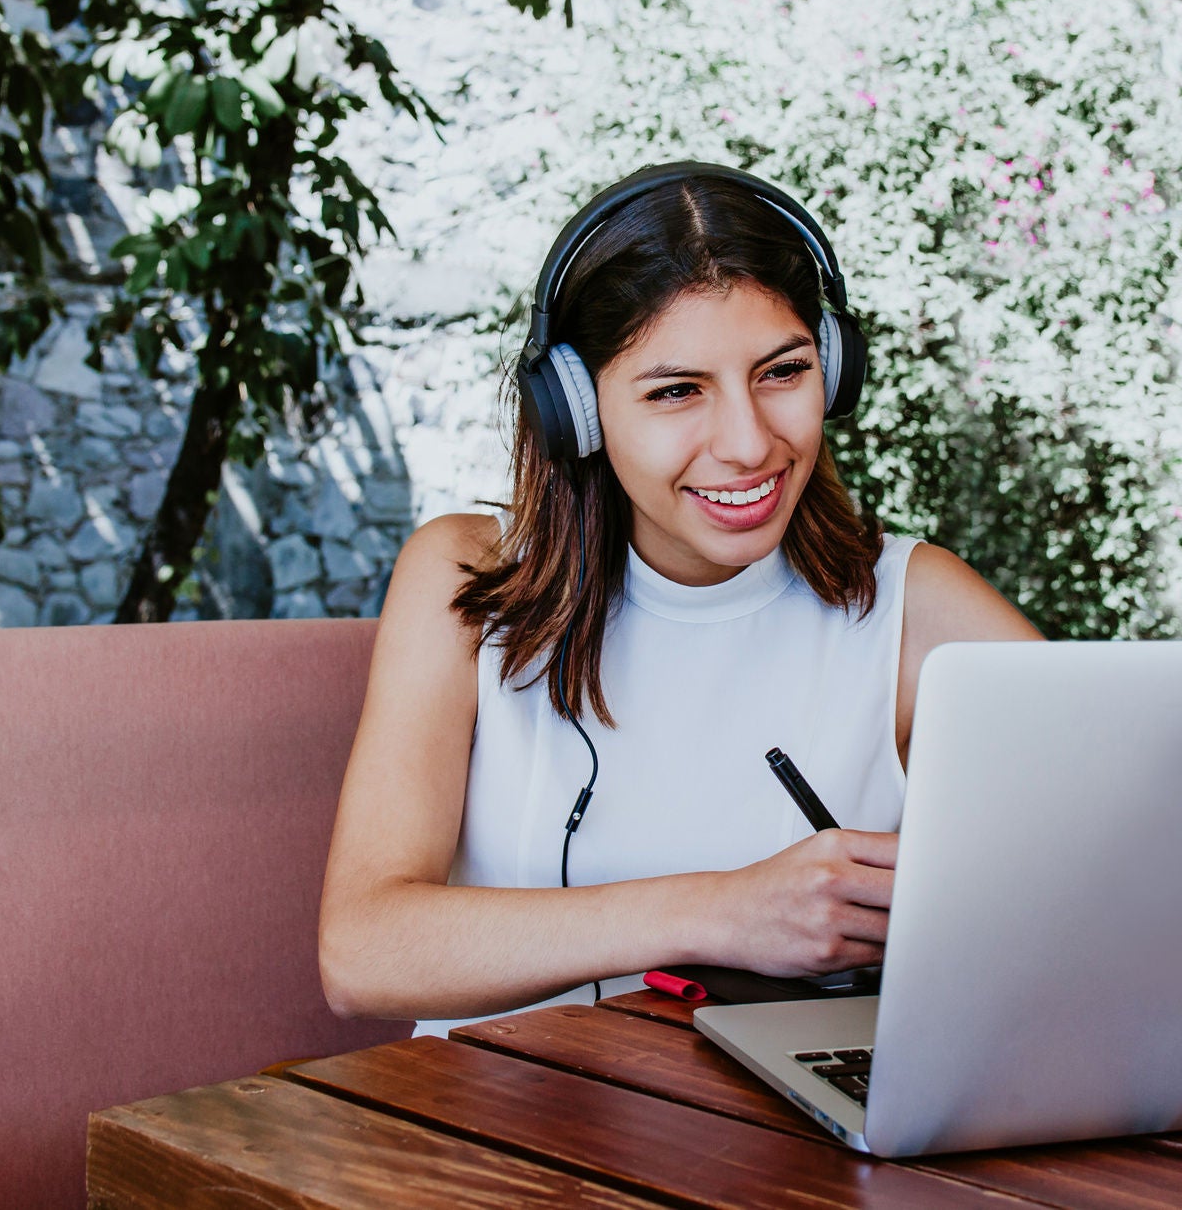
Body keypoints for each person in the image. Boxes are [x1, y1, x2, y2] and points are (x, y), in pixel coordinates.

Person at [318, 163, 1042, 1034]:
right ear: (578, 410)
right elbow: (361, 952)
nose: (748, 443)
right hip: (497, 1143)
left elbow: (1137, 865)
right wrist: (722, 912)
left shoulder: (915, 607)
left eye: (783, 372)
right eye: (675, 390)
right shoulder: (463, 580)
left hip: (783, 1155)